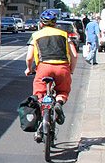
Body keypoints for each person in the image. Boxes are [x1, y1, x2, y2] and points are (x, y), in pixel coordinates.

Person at [24, 9, 78, 139]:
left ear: (41, 23)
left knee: (39, 94)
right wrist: (71, 69)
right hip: (62, 67)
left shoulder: (36, 35)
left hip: (44, 68)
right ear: (55, 23)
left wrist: (29, 69)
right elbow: (74, 55)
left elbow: (29, 57)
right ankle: (59, 103)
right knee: (62, 91)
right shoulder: (64, 34)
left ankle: (43, 121)